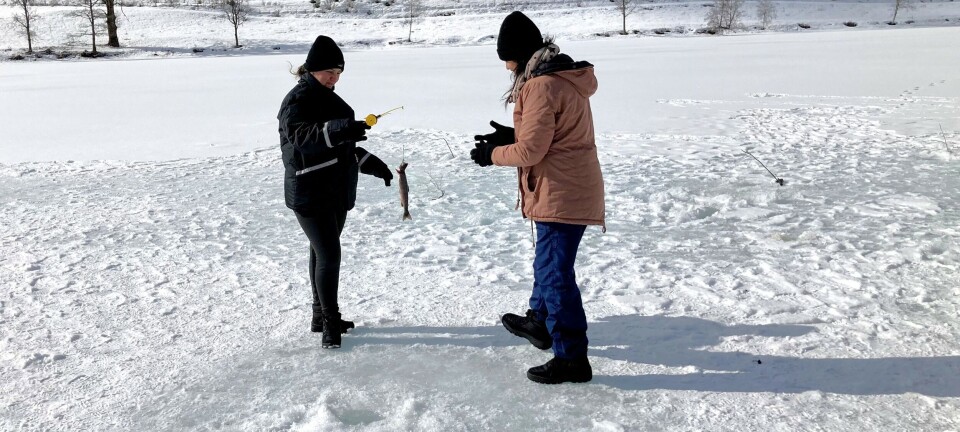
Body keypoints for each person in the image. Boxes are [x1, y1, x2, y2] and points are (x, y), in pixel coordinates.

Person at [470, 11, 605, 384]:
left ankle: (572, 357)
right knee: (548, 261)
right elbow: (553, 133)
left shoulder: (541, 85)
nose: (506, 67)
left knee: (554, 272)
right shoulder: (559, 77)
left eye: (507, 59)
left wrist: (492, 154)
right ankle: (540, 322)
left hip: (562, 190)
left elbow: (531, 152)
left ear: (519, 53)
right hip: (566, 184)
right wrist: (512, 134)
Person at [277, 35, 394, 349]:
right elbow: (303, 137)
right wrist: (343, 129)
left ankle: (320, 316)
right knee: (329, 255)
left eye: (339, 72)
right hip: (310, 192)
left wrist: (373, 164)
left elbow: (344, 148)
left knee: (320, 252)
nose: (334, 77)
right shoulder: (298, 99)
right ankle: (330, 323)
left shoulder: (327, 95)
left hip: (334, 189)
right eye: (329, 71)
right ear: (312, 69)